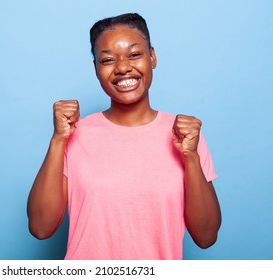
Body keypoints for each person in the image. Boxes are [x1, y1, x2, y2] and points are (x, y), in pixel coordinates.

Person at [27, 13, 221, 260]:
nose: (121, 67)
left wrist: (191, 157)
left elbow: (206, 236)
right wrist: (58, 140)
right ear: (96, 69)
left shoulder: (186, 137)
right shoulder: (73, 135)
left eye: (134, 55)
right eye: (107, 59)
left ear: (152, 57)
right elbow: (41, 228)